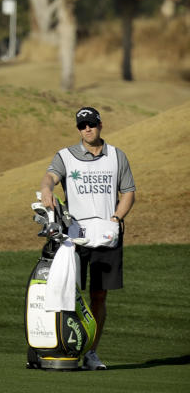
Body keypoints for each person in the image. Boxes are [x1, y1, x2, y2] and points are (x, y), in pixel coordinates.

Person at [39, 106, 136, 371]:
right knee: (69, 293)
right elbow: (50, 177)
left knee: (99, 295)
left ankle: (91, 353)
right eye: (82, 126)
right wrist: (46, 189)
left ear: (100, 124)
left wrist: (116, 218)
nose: (87, 129)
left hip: (107, 236)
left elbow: (128, 192)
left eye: (91, 124)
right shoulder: (66, 156)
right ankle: (67, 347)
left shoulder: (117, 156)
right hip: (74, 237)